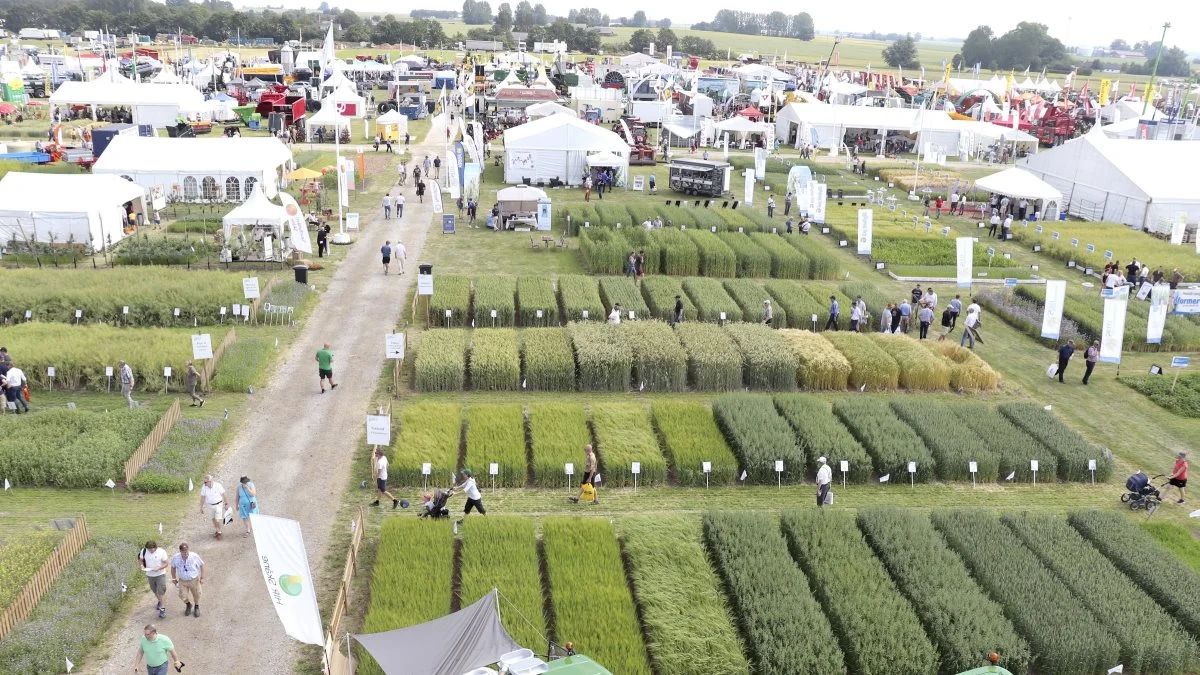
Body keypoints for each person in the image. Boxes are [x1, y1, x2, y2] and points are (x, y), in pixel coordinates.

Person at [169, 542, 204, 618]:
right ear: (180, 551)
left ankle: (196, 606)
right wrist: (174, 578)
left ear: (188, 550)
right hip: (182, 580)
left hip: (193, 579)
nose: (185, 553)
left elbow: (201, 565)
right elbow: (173, 568)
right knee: (182, 595)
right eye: (183, 552)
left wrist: (202, 577)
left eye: (186, 551)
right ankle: (188, 605)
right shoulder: (176, 558)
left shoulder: (194, 556)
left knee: (197, 594)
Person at [139, 541, 170, 619]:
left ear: (156, 547)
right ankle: (160, 601)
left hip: (160, 574)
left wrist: (159, 568)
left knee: (161, 591)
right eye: (149, 550)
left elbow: (166, 563)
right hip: (150, 574)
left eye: (152, 550)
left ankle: (162, 609)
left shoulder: (162, 552)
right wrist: (142, 566)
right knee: (154, 590)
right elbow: (141, 559)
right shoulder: (144, 550)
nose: (151, 551)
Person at [199, 475, 226, 539]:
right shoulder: (204, 487)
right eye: (204, 482)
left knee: (217, 520)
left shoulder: (218, 485)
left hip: (218, 505)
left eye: (206, 482)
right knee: (213, 520)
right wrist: (201, 507)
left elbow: (224, 494)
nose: (204, 484)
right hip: (210, 506)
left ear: (210, 481)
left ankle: (219, 532)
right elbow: (202, 497)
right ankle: (217, 530)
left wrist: (226, 503)